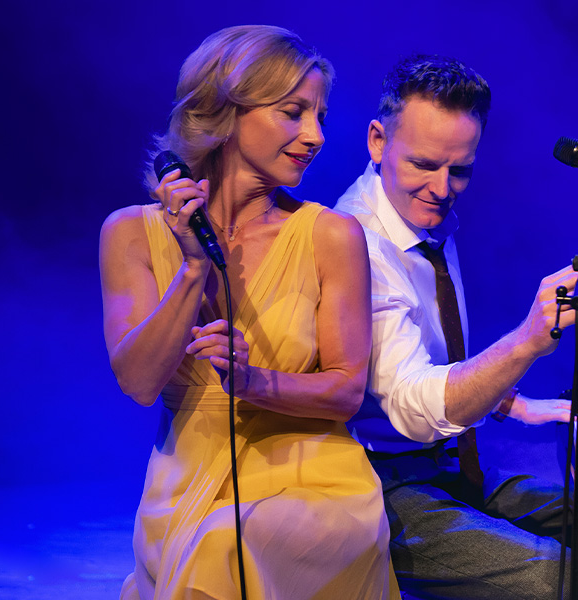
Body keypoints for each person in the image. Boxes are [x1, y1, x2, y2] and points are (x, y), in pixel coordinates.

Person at [100, 25, 398, 599]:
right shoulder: (129, 234)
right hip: (184, 479)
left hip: (313, 478)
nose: (314, 136)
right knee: (211, 543)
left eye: (320, 117)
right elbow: (138, 382)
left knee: (223, 547)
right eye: (293, 113)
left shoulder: (332, 236)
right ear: (225, 111)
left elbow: (345, 393)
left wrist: (257, 381)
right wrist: (192, 269)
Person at [333, 54, 578, 600]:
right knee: (568, 580)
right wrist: (529, 340)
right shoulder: (358, 245)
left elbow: (420, 363)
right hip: (384, 487)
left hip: (449, 462)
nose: (442, 187)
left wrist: (514, 403)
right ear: (376, 141)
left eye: (460, 170)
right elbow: (412, 410)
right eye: (424, 165)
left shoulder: (419, 213)